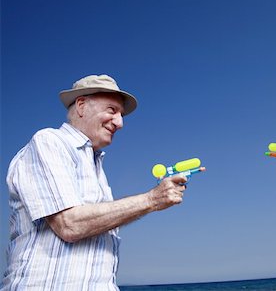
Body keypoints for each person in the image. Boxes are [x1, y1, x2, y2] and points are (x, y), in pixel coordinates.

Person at [1, 75, 188, 290]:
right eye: (111, 110)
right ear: (81, 105)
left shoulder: (95, 165)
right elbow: (69, 224)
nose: (120, 123)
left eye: (121, 114)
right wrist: (152, 199)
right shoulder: (49, 142)